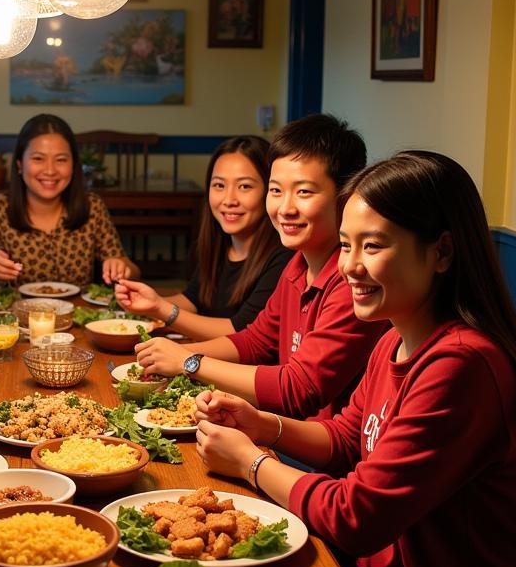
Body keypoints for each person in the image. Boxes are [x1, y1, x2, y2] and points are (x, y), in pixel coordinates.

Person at [194, 150, 516, 567]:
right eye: (347, 245)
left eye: (373, 246)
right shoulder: (396, 338)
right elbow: (341, 439)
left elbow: (355, 515)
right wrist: (263, 425)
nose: (349, 267)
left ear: (441, 251)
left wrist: (251, 463)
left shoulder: (461, 364)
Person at [134, 114, 386, 421]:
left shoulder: (353, 282)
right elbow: (254, 340)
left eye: (304, 191)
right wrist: (173, 354)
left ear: (344, 196)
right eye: (276, 191)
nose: (285, 208)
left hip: (320, 451)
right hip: (283, 429)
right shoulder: (297, 264)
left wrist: (190, 361)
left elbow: (300, 389)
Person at [113, 135, 291, 339]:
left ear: (270, 191)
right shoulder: (218, 245)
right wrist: (144, 300)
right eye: (219, 185)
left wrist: (160, 309)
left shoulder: (282, 257)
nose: (229, 199)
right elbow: (193, 301)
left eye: (245, 186)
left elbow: (240, 332)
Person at [0, 114, 139, 288]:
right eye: (38, 159)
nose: (50, 171)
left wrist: (122, 269)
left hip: (77, 316)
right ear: (20, 164)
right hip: (12, 317)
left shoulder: (92, 206)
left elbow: (134, 272)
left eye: (60, 160)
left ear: (73, 165)